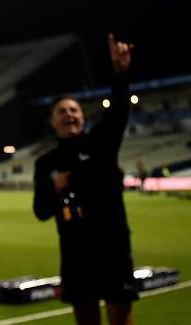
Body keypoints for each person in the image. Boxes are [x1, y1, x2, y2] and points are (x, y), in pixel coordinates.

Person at [33, 34, 136, 325]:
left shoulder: (100, 145)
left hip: (113, 249)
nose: (69, 114)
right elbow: (40, 211)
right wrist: (55, 187)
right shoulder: (45, 164)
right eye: (61, 111)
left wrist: (121, 73)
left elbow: (118, 113)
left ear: (83, 117)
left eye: (74, 110)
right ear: (52, 122)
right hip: (76, 256)